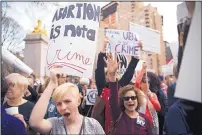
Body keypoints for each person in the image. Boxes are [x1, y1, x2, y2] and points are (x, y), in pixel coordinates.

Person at [29, 66, 105, 135]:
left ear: (78, 101)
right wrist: (51, 84)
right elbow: (35, 123)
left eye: (67, 101)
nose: (63, 107)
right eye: (58, 104)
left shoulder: (93, 125)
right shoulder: (55, 124)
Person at [92, 36, 140, 133]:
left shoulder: (120, 87)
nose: (110, 75)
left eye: (113, 73)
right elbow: (99, 70)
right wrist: (103, 48)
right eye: (108, 74)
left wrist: (136, 54)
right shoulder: (102, 88)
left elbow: (129, 73)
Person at [104, 53, 152, 135]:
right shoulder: (118, 116)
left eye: (133, 97)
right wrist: (112, 76)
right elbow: (114, 99)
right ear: (122, 101)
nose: (130, 100)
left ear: (138, 99)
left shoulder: (145, 119)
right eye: (126, 98)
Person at [135, 63, 161, 135]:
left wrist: (150, 97)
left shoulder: (152, 94)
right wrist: (143, 69)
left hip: (152, 123)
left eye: (148, 82)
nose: (147, 84)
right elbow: (137, 82)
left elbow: (158, 107)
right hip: (141, 123)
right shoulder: (138, 94)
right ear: (140, 84)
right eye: (144, 82)